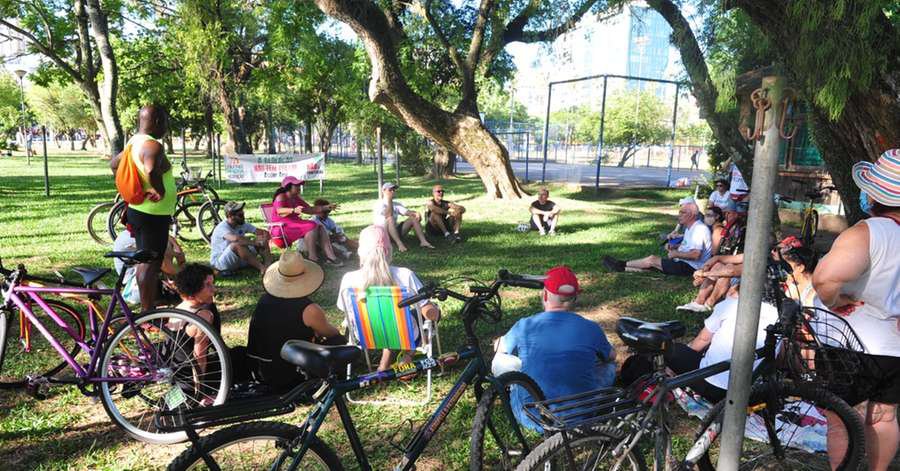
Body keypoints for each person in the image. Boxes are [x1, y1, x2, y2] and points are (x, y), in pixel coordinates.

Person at [812, 149, 900, 471]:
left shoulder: (867, 232)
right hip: (895, 349)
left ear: (873, 194)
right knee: (885, 416)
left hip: (852, 343)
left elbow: (824, 279)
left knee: (842, 420)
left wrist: (837, 301)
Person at [493, 266, 616, 430]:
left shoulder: (525, 326)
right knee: (608, 366)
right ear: (574, 299)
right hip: (581, 416)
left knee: (505, 362)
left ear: (544, 294)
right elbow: (611, 355)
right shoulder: (591, 328)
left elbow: (499, 347)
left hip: (533, 418)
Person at [337, 225, 440, 371]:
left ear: (361, 252)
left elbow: (344, 309)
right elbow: (429, 314)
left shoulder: (349, 279)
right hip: (402, 335)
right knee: (427, 312)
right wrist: (433, 308)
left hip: (365, 336)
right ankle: (407, 357)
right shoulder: (405, 275)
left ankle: (383, 365)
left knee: (383, 320)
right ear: (389, 251)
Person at [109, 105, 175, 313]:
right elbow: (152, 169)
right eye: (165, 121)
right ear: (156, 122)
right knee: (150, 263)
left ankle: (149, 305)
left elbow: (114, 164)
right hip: (151, 214)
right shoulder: (152, 145)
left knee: (147, 259)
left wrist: (130, 186)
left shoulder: (133, 142)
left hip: (141, 211)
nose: (166, 126)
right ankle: (147, 313)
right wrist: (160, 190)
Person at [246, 251, 344, 391]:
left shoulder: (264, 300)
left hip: (257, 369)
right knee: (338, 341)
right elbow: (331, 334)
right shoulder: (309, 309)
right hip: (288, 374)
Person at [603, 200, 711, 276]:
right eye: (679, 212)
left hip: (691, 267)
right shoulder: (690, 227)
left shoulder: (699, 229)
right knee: (652, 266)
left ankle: (621, 264)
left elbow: (696, 255)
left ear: (692, 215)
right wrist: (675, 246)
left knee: (652, 260)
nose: (679, 215)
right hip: (685, 263)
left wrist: (676, 253)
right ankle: (621, 267)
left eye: (682, 212)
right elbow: (689, 246)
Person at [172, 263, 222, 395]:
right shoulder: (203, 315)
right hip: (194, 377)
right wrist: (200, 390)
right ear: (191, 294)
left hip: (177, 372)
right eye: (207, 285)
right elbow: (199, 355)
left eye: (212, 283)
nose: (213, 289)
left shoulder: (178, 309)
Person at [271, 176, 343, 266]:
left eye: (299, 185)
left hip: (294, 223)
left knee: (318, 226)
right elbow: (279, 211)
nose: (299, 187)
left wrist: (326, 207)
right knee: (311, 225)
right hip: (281, 226)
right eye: (296, 185)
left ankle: (331, 257)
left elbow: (310, 209)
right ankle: (312, 258)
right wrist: (293, 210)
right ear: (288, 187)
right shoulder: (281, 196)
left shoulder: (296, 197)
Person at [113, 230, 185, 305]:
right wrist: (180, 277)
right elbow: (165, 266)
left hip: (139, 270)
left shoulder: (140, 231)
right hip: (132, 281)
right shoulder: (135, 238)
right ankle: (158, 301)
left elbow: (167, 237)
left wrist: (177, 249)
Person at [209, 201, 273, 276]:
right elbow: (236, 239)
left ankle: (269, 266)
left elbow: (261, 232)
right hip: (220, 263)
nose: (243, 217)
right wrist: (255, 243)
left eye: (243, 213)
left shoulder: (242, 223)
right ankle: (262, 268)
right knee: (236, 245)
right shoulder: (222, 227)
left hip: (239, 258)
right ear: (230, 216)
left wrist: (264, 236)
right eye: (240, 215)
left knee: (262, 239)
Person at [373, 182, 434, 251]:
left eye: (394, 190)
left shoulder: (396, 204)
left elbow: (407, 212)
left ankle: (423, 241)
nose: (393, 191)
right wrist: (389, 200)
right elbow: (388, 214)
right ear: (383, 191)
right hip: (382, 233)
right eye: (390, 190)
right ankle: (400, 244)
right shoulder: (379, 204)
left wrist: (416, 213)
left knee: (413, 218)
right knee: (390, 218)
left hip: (394, 231)